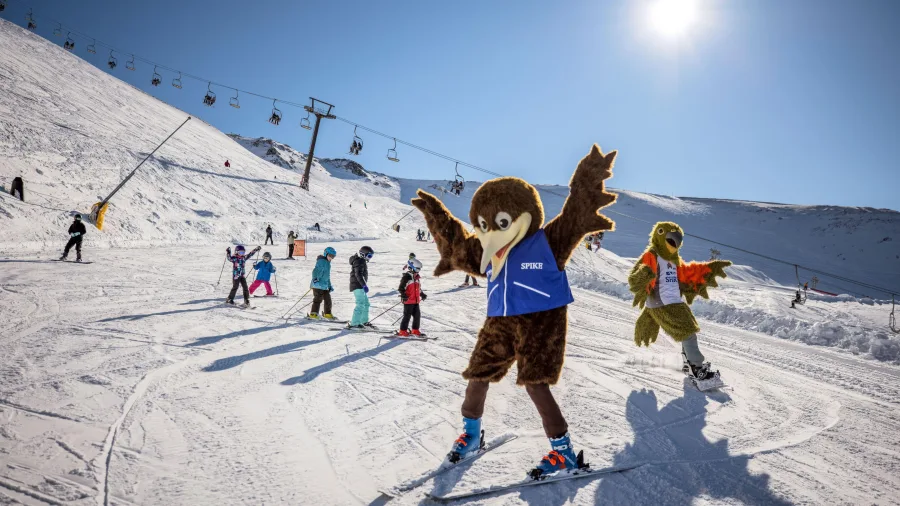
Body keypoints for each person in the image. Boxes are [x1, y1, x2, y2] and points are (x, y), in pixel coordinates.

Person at [397, 258, 427, 336]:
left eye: (419, 269)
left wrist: (422, 294)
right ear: (411, 268)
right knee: (407, 316)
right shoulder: (407, 277)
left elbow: (418, 289)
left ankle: (415, 330)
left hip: (416, 301)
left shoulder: (416, 278)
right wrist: (404, 295)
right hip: (408, 301)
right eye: (417, 269)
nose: (418, 271)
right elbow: (401, 288)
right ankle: (402, 331)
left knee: (417, 316)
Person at [347, 246, 374, 329]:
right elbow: (358, 274)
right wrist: (364, 285)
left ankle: (363, 321)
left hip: (360, 285)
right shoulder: (359, 261)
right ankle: (354, 323)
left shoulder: (361, 261)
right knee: (360, 304)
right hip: (357, 285)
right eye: (369, 256)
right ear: (363, 254)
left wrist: (363, 285)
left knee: (366, 304)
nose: (370, 258)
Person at [308, 247, 337, 319]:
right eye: (330, 256)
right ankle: (313, 314)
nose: (331, 258)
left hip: (324, 286)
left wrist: (329, 285)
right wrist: (315, 278)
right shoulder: (321, 261)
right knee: (318, 299)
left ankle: (327, 314)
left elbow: (327, 276)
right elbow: (315, 271)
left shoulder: (328, 263)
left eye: (333, 256)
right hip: (317, 285)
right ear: (326, 254)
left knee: (328, 299)